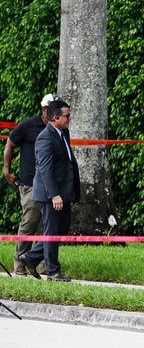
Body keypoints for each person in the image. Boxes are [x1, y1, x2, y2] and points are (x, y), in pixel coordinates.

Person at [19, 99, 80, 282]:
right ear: (55, 117)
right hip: (50, 195)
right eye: (66, 116)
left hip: (64, 192)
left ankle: (30, 257)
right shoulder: (45, 138)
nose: (69, 118)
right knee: (52, 231)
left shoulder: (63, 132)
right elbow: (45, 169)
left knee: (60, 230)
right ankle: (53, 272)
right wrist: (54, 195)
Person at [3, 94, 55, 276]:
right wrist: (6, 169)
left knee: (47, 225)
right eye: (51, 108)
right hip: (30, 183)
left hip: (50, 184)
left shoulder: (58, 129)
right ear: (44, 110)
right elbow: (10, 143)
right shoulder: (28, 125)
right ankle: (19, 261)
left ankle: (45, 264)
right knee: (30, 221)